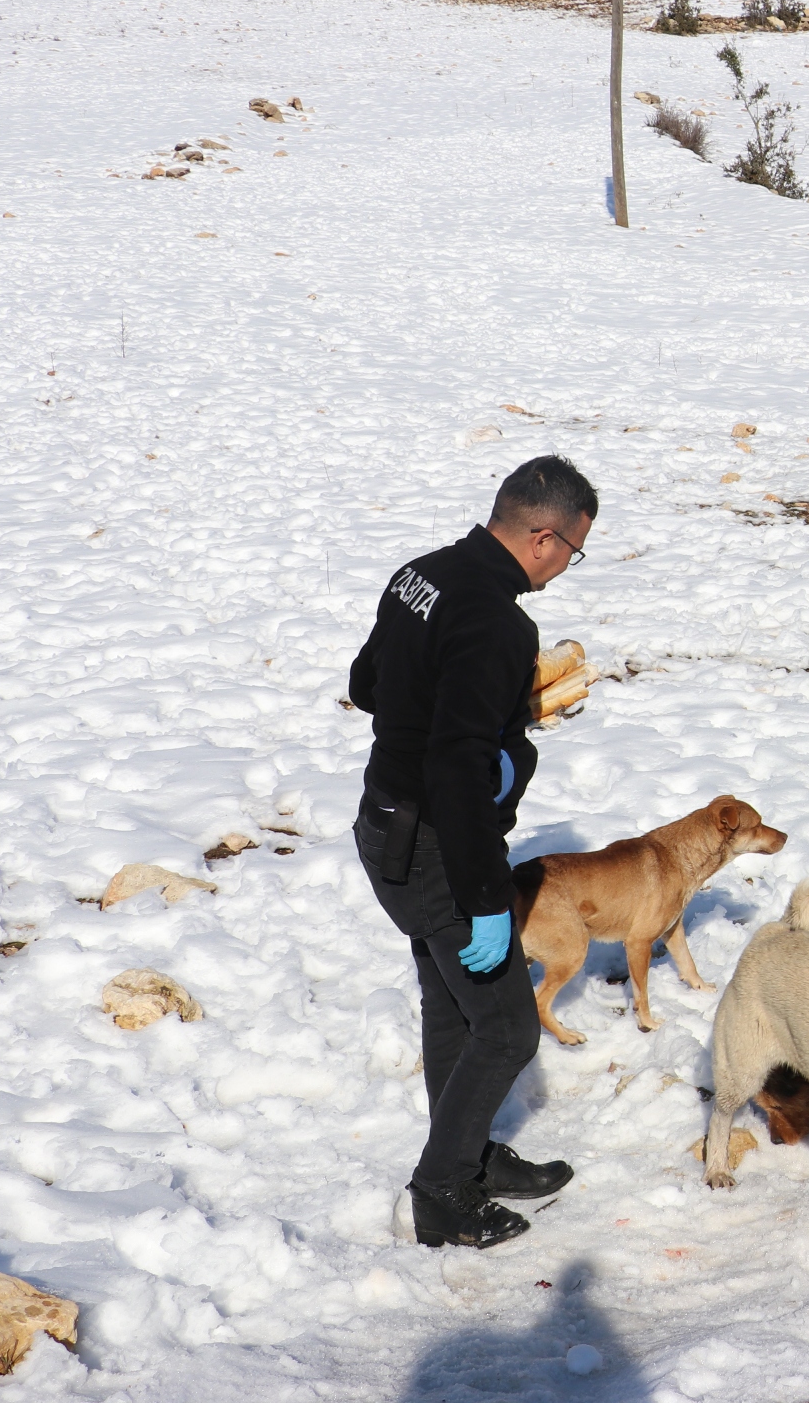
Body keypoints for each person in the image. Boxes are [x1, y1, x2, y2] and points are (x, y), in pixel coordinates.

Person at [347, 455, 596, 1248]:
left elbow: (367, 683)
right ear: (545, 537)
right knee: (506, 1028)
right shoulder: (499, 621)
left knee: (451, 1005)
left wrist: (490, 711)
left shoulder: (419, 574)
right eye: (573, 551)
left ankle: (466, 1155)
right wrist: (489, 899)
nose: (566, 569)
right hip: (436, 848)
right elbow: (458, 771)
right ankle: (443, 1191)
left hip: (384, 825)